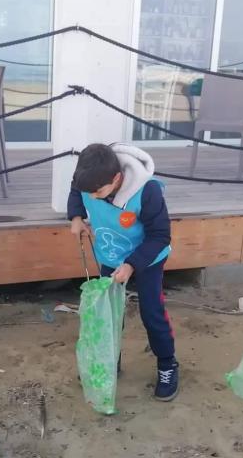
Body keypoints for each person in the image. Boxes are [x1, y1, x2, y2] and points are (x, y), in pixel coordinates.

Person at [68, 143, 178, 401]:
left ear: (117, 178)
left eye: (98, 192)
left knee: (152, 312)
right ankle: (109, 361)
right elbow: (76, 191)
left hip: (147, 260)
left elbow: (160, 235)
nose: (92, 197)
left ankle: (167, 364)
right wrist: (75, 216)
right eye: (89, 193)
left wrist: (131, 265)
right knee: (109, 313)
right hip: (109, 257)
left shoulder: (146, 191)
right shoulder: (88, 180)